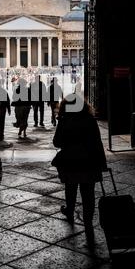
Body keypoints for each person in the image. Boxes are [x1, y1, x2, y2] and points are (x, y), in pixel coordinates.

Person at [52, 95, 107, 245]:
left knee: (70, 188)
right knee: (88, 193)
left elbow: (56, 142)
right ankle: (88, 222)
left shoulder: (64, 121)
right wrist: (102, 163)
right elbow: (97, 143)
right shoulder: (90, 121)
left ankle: (69, 210)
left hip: (70, 161)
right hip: (89, 161)